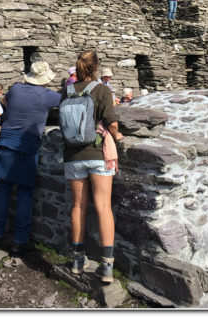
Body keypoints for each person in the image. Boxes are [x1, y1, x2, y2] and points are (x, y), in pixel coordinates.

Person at [0, 61, 62, 255]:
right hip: (27, 146)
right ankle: (20, 240)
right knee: (24, 194)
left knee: (3, 191)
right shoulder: (48, 95)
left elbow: (5, 102)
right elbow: (67, 101)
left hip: (6, 142)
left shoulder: (15, 89)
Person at [62, 51, 124, 283]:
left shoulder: (67, 91)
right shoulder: (101, 90)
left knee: (78, 206)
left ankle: (78, 260)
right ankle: (106, 265)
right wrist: (117, 137)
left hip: (72, 155)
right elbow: (112, 122)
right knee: (103, 207)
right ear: (96, 68)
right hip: (98, 154)